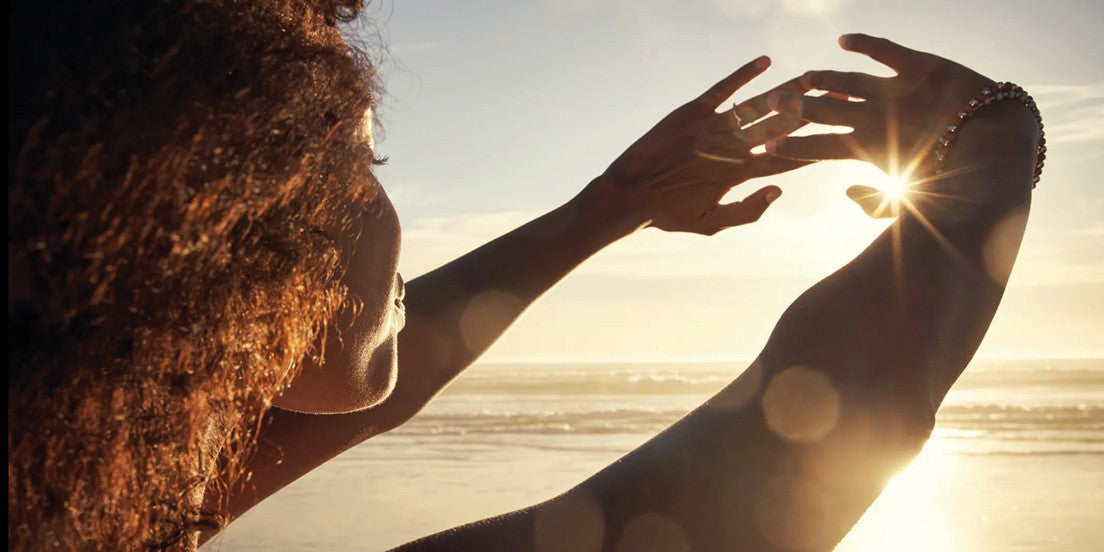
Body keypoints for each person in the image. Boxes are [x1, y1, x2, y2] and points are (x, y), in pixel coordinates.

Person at [7, 2, 1040, 550]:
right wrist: (989, 159)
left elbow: (341, 402)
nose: (391, 215)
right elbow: (795, 461)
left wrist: (610, 207)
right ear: (214, 221)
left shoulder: (62, 494)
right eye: (364, 162)